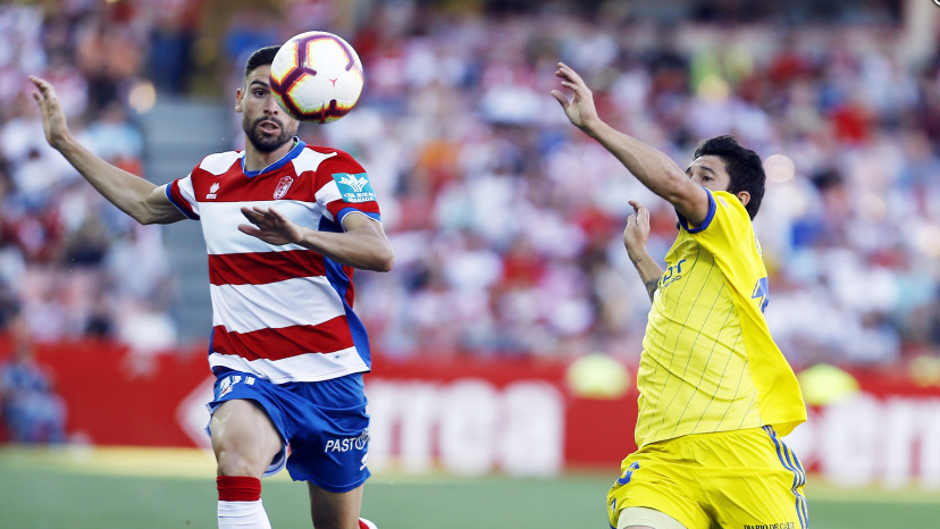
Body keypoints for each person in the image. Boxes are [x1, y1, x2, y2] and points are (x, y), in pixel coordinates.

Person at [29, 45, 393, 529]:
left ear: (302, 107)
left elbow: (379, 251)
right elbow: (145, 205)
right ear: (240, 98)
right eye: (261, 93)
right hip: (249, 372)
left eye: (285, 97)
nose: (271, 106)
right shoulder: (211, 175)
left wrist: (301, 234)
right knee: (236, 452)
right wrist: (66, 144)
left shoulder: (328, 170)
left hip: (329, 378)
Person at [552, 62, 808, 529]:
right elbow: (672, 308)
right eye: (691, 172)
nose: (691, 182)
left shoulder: (730, 221)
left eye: (704, 175)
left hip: (739, 450)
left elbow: (671, 184)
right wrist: (642, 260)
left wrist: (595, 124)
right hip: (663, 455)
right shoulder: (692, 258)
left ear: (740, 198)